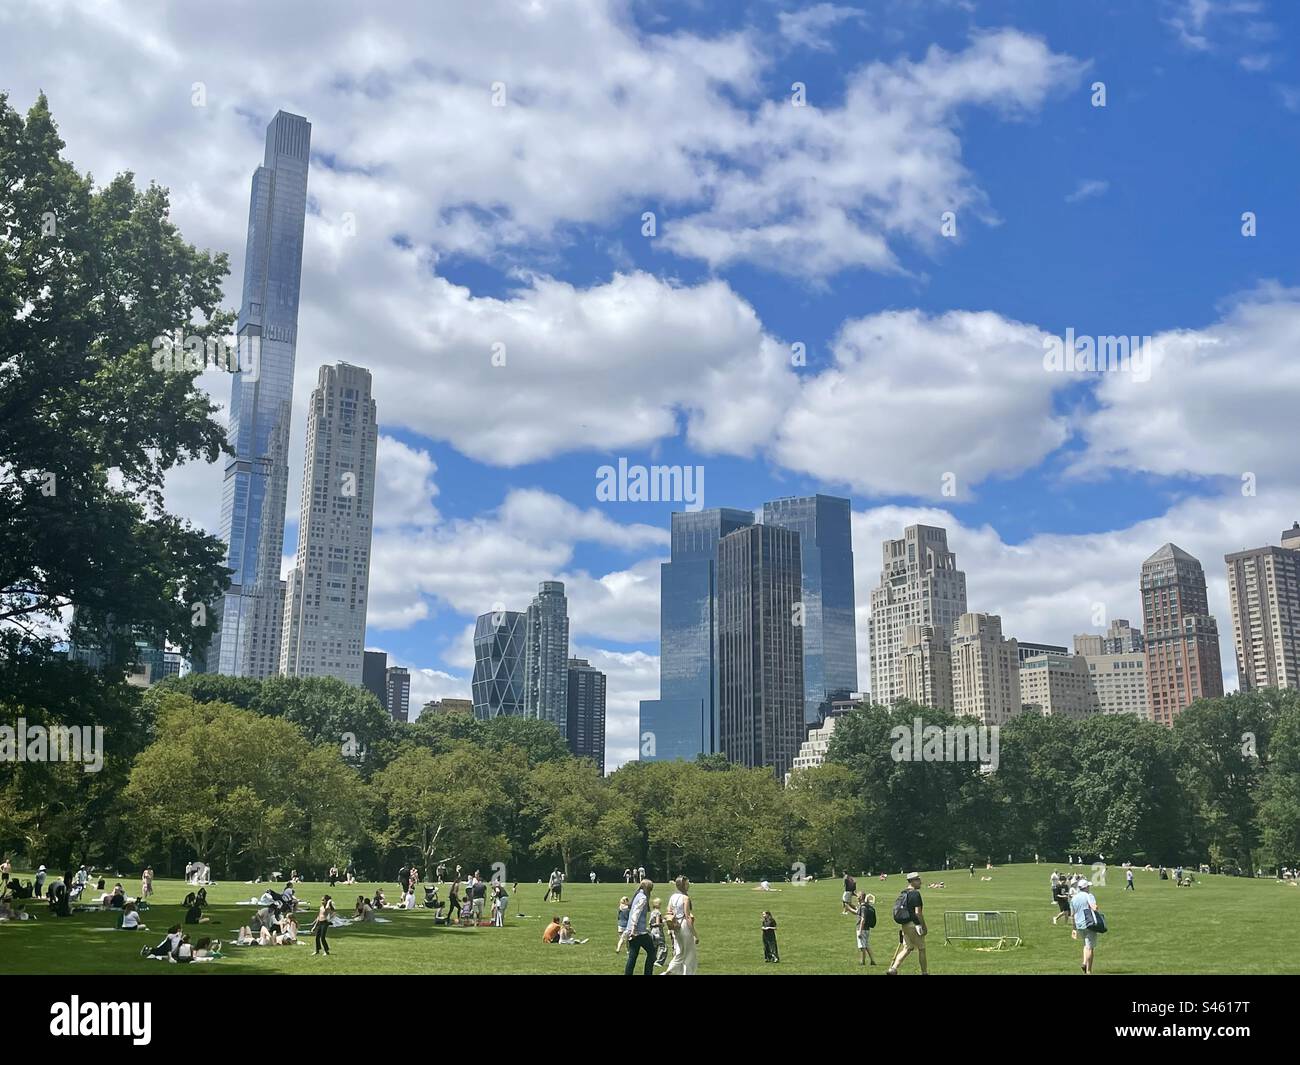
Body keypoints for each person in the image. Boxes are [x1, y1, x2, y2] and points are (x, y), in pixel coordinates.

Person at [886, 872, 928, 976]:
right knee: (922, 949)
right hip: (914, 925)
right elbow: (918, 912)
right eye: (918, 880)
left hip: (905, 924)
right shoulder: (915, 893)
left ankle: (893, 969)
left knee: (907, 948)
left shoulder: (903, 893)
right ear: (912, 881)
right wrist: (923, 926)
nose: (920, 882)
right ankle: (924, 972)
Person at [662, 875, 698, 975]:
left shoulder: (672, 897)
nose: (688, 885)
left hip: (676, 926)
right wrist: (695, 934)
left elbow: (668, 912)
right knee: (689, 954)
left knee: (680, 952)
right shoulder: (685, 898)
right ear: (682, 885)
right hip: (684, 925)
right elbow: (687, 917)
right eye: (687, 884)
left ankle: (669, 971)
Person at [623, 879, 655, 975]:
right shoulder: (643, 898)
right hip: (638, 932)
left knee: (633, 955)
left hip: (631, 930)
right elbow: (636, 913)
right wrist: (633, 929)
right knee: (652, 952)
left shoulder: (637, 895)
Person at [1070, 878, 1100, 974]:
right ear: (1086, 887)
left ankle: (1084, 962)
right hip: (1089, 924)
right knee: (1090, 948)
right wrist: (1096, 908)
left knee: (1085, 945)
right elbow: (1094, 908)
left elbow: (1072, 914)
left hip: (1079, 925)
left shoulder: (1074, 898)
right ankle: (1088, 970)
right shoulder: (1089, 895)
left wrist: (1073, 929)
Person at [856, 892, 877, 966]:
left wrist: (860, 931)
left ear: (861, 897)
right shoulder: (865, 906)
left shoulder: (863, 907)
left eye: (858, 896)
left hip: (862, 928)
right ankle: (873, 961)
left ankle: (862, 962)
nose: (856, 897)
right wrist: (848, 908)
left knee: (862, 946)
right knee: (867, 945)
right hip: (867, 929)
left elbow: (863, 919)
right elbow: (857, 913)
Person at [648, 897, 667, 966]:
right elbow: (658, 923)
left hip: (652, 931)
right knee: (663, 947)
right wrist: (664, 922)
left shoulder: (652, 912)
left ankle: (653, 959)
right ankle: (659, 961)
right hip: (658, 931)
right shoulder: (658, 913)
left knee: (654, 946)